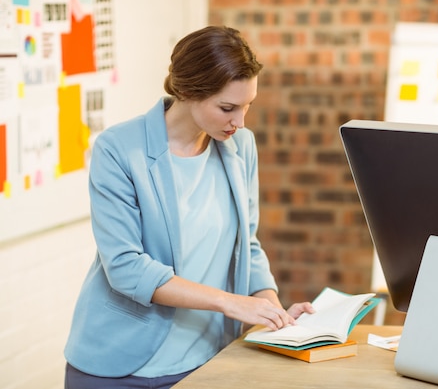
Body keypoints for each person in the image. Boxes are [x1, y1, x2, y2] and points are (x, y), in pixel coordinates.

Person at [64, 25, 314, 388]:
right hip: (119, 368)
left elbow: (248, 245)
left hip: (207, 363)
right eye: (227, 108)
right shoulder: (119, 149)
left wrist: (271, 311)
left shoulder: (240, 147)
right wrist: (232, 303)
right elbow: (125, 267)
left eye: (247, 106)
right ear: (186, 90)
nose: (240, 122)